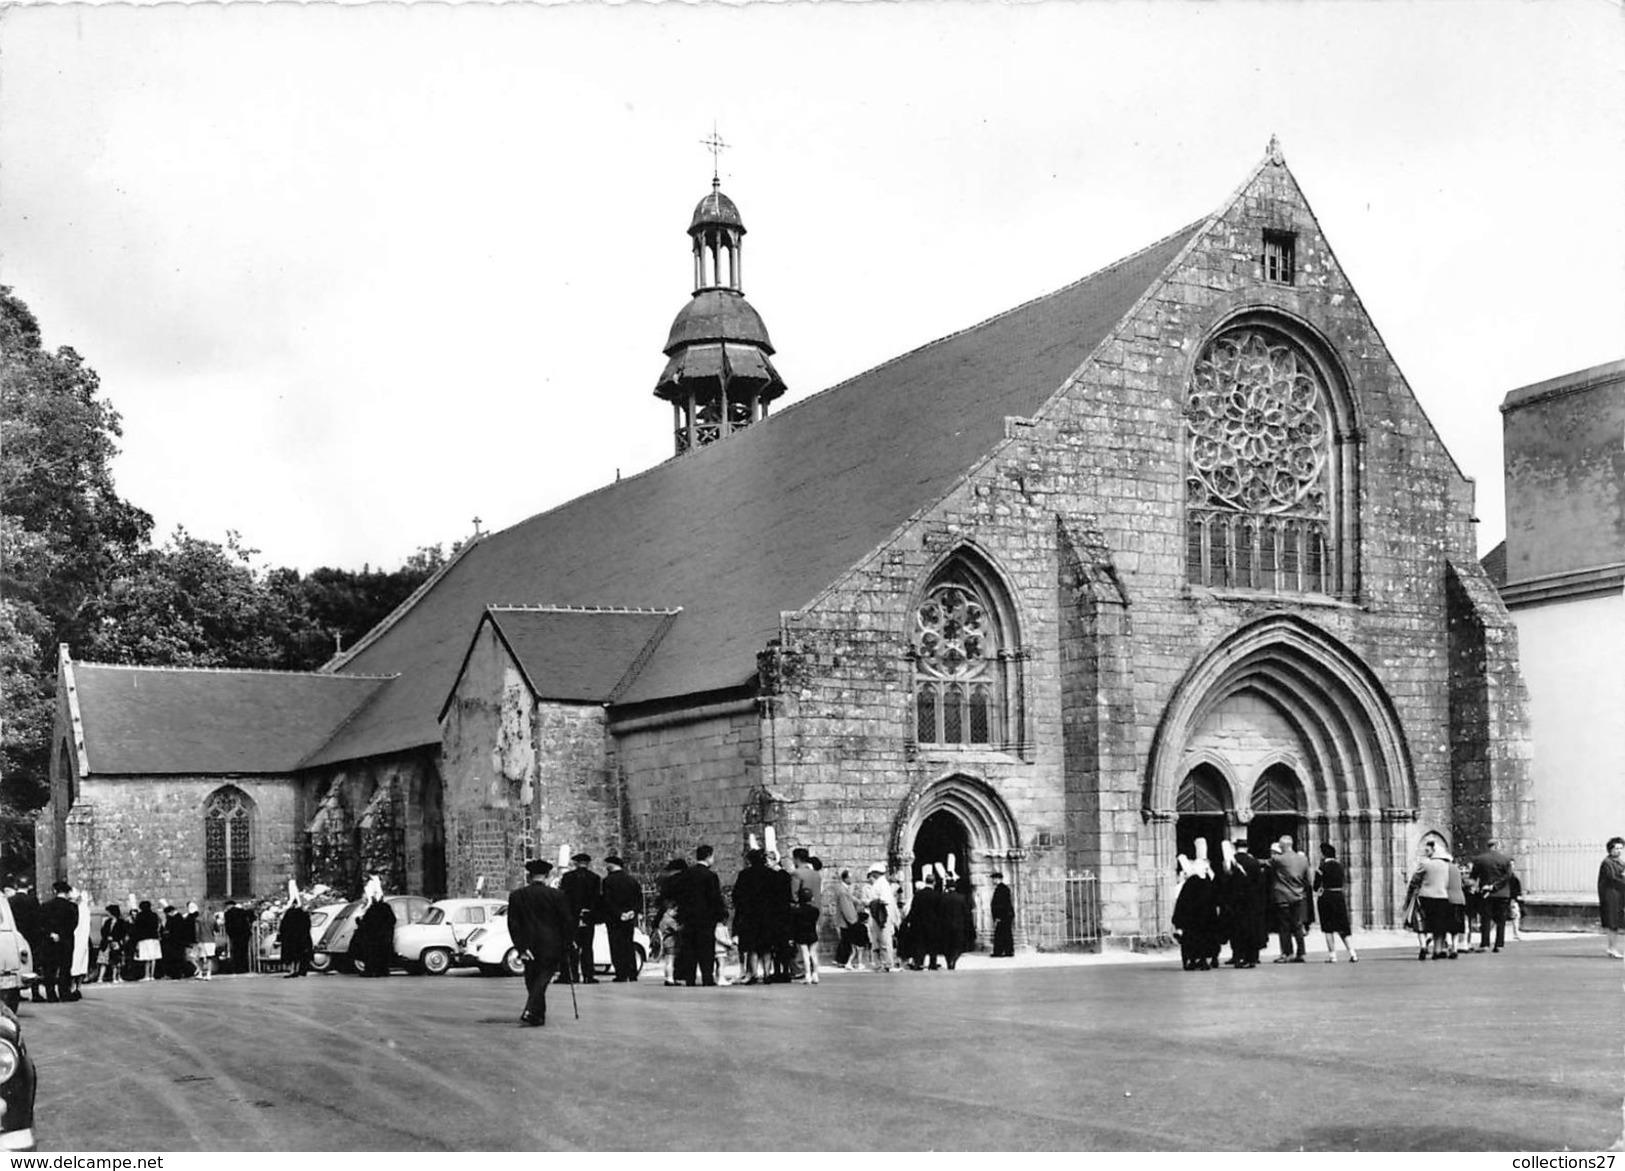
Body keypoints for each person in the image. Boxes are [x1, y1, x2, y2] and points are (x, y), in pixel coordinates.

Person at [507, 859, 575, 1027]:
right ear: (547, 875)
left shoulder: (517, 896)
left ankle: (536, 1014)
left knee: (532, 979)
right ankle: (533, 1012)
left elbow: (513, 924)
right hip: (551, 944)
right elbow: (567, 921)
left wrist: (521, 946)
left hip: (528, 944)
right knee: (543, 978)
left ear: (529, 876)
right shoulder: (557, 895)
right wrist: (568, 942)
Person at [674, 845, 728, 987]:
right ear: (709, 856)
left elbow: (681, 897)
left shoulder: (686, 875)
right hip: (706, 919)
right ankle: (707, 977)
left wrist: (681, 915)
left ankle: (690, 978)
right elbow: (715, 898)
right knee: (706, 950)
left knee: (690, 949)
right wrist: (720, 916)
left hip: (689, 919)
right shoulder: (710, 876)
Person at [730, 849, 775, 985]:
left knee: (752, 946)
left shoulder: (745, 875)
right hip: (767, 914)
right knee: (767, 946)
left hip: (750, 915)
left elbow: (737, 895)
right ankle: (767, 973)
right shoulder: (770, 875)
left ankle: (754, 973)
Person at [559, 853, 602, 984]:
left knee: (572, 946)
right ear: (587, 864)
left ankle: (571, 975)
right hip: (588, 917)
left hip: (572, 917)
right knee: (587, 947)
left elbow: (564, 898)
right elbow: (597, 899)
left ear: (576, 863)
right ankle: (588, 975)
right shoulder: (595, 878)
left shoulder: (568, 877)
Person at [1172, 852, 1218, 971]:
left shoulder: (1195, 882)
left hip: (1196, 919)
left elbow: (1182, 902)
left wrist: (1179, 920)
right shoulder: (1201, 882)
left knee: (1195, 940)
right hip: (1199, 919)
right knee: (1198, 940)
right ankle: (1197, 960)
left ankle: (1196, 960)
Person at [600, 856, 643, 982]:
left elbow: (607, 901)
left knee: (616, 945)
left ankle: (621, 973)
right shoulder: (631, 880)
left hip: (614, 918)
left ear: (612, 865)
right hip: (629, 917)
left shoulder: (608, 881)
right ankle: (632, 973)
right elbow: (638, 898)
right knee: (628, 944)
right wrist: (632, 912)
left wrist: (619, 914)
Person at [1314, 843, 1359, 963]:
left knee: (1328, 927)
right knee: (1343, 926)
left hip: (1327, 896)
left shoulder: (1322, 867)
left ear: (1324, 854)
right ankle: (1353, 953)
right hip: (1339, 896)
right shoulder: (1340, 866)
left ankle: (1333, 955)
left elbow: (1316, 885)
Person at [1268, 837, 1310, 963]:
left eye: (1280, 846)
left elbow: (1265, 863)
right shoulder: (1303, 859)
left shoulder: (1279, 859)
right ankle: (1301, 953)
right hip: (1298, 895)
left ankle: (1287, 953)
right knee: (1297, 925)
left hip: (1283, 895)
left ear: (1283, 846)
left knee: (1284, 926)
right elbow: (1308, 878)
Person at [1410, 838, 1453, 960]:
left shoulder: (1425, 864)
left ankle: (1423, 947)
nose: (1426, 852)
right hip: (1442, 896)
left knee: (1423, 923)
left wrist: (1412, 891)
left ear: (1434, 850)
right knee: (1439, 926)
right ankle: (1437, 950)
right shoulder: (1447, 865)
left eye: (1428, 850)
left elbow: (1415, 879)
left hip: (1426, 896)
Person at [1470, 840, 1516, 953]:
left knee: (1486, 918)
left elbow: (1473, 876)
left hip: (1486, 893)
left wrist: (1485, 886)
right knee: (1501, 920)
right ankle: (1499, 944)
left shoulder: (1479, 860)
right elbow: (1508, 876)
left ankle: (1485, 943)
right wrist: (1495, 886)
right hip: (1502, 893)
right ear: (1497, 846)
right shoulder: (1505, 859)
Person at [37, 880, 78, 1002]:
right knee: (65, 967)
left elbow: (41, 923)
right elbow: (73, 924)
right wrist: (63, 934)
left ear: (55, 891)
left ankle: (51, 994)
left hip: (50, 941)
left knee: (50, 968)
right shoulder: (72, 907)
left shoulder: (46, 906)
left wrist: (51, 933)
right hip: (66, 940)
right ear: (67, 892)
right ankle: (64, 992)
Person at [8, 881, 45, 1002]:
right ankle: (35, 993)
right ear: (28, 888)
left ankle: (16, 993)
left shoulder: (10, 900)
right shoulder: (32, 900)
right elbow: (38, 919)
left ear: (16, 887)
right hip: (31, 937)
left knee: (15, 964)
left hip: (14, 937)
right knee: (33, 964)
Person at [654, 858, 687, 986]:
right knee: (677, 955)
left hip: (666, 936)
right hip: (677, 928)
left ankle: (670, 977)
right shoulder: (684, 881)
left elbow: (661, 902)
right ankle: (677, 976)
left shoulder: (667, 882)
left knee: (669, 960)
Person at [355, 885, 396, 977]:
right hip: (384, 938)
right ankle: (382, 971)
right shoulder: (386, 908)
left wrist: (359, 921)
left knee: (371, 955)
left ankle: (371, 971)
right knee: (382, 955)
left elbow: (366, 924)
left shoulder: (372, 909)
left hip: (373, 939)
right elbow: (392, 921)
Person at [865, 864, 898, 972]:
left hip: (881, 915)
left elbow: (884, 900)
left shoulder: (882, 884)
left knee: (884, 939)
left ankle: (887, 963)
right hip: (877, 914)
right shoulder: (880, 884)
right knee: (878, 939)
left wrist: (871, 902)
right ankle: (881, 963)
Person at [905, 873, 942, 970]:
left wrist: (908, 921)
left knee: (920, 944)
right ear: (934, 882)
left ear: (925, 881)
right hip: (933, 924)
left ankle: (919, 963)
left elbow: (913, 909)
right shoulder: (937, 895)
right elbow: (940, 911)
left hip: (919, 923)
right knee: (933, 944)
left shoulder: (918, 895)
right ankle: (932, 964)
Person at [1599, 837, 1625, 959]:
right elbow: (1613, 878)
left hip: (1619, 896)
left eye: (1621, 848)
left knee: (1615, 923)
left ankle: (1612, 948)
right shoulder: (1607, 863)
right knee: (1612, 923)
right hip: (1610, 896)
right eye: (1616, 848)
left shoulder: (1620, 862)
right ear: (1610, 849)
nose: (1619, 850)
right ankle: (1612, 948)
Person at [791, 887, 821, 985]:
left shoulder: (796, 911)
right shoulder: (815, 910)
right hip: (812, 933)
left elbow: (795, 923)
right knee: (813, 954)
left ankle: (807, 975)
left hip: (801, 934)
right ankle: (815, 975)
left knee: (805, 955)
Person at [278, 897, 312, 978]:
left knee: (291, 955)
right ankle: (299, 970)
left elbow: (283, 926)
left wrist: (282, 936)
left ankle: (292, 970)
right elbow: (308, 926)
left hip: (290, 938)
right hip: (302, 937)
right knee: (300, 954)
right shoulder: (304, 914)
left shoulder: (289, 913)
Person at [130, 899, 162, 981]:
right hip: (154, 938)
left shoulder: (140, 916)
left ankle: (147, 975)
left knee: (146, 958)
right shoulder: (154, 915)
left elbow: (137, 928)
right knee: (153, 957)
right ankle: (152, 975)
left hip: (144, 939)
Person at [69, 889, 91, 995]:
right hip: (80, 940)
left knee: (78, 963)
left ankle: (75, 987)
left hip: (79, 940)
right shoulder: (83, 909)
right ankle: (76, 987)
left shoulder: (81, 909)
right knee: (79, 963)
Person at [187, 901, 216, 980]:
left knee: (200, 958)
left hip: (202, 940)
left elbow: (197, 931)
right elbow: (216, 929)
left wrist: (197, 940)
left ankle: (200, 972)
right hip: (210, 940)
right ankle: (208, 974)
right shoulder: (212, 919)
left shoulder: (198, 919)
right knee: (209, 958)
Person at [98, 904, 127, 984]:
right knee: (103, 961)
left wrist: (115, 938)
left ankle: (116, 976)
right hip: (106, 943)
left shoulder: (121, 922)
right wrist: (106, 937)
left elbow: (122, 933)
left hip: (116, 943)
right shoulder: (107, 921)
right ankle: (100, 977)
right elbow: (103, 931)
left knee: (116, 960)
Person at [223, 899, 253, 974]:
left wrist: (230, 934)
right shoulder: (241, 911)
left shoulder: (228, 913)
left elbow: (228, 925)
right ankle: (245, 968)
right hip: (244, 934)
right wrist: (250, 924)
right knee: (244, 951)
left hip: (235, 935)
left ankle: (237, 968)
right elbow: (251, 913)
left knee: (236, 952)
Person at [990, 871, 1015, 958]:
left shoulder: (1002, 889)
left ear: (998, 879)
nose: (992, 881)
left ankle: (1000, 951)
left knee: (1001, 934)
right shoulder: (1002, 888)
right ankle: (1007, 951)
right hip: (1005, 915)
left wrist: (998, 916)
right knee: (1005, 933)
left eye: (993, 879)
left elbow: (1002, 904)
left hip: (1003, 916)